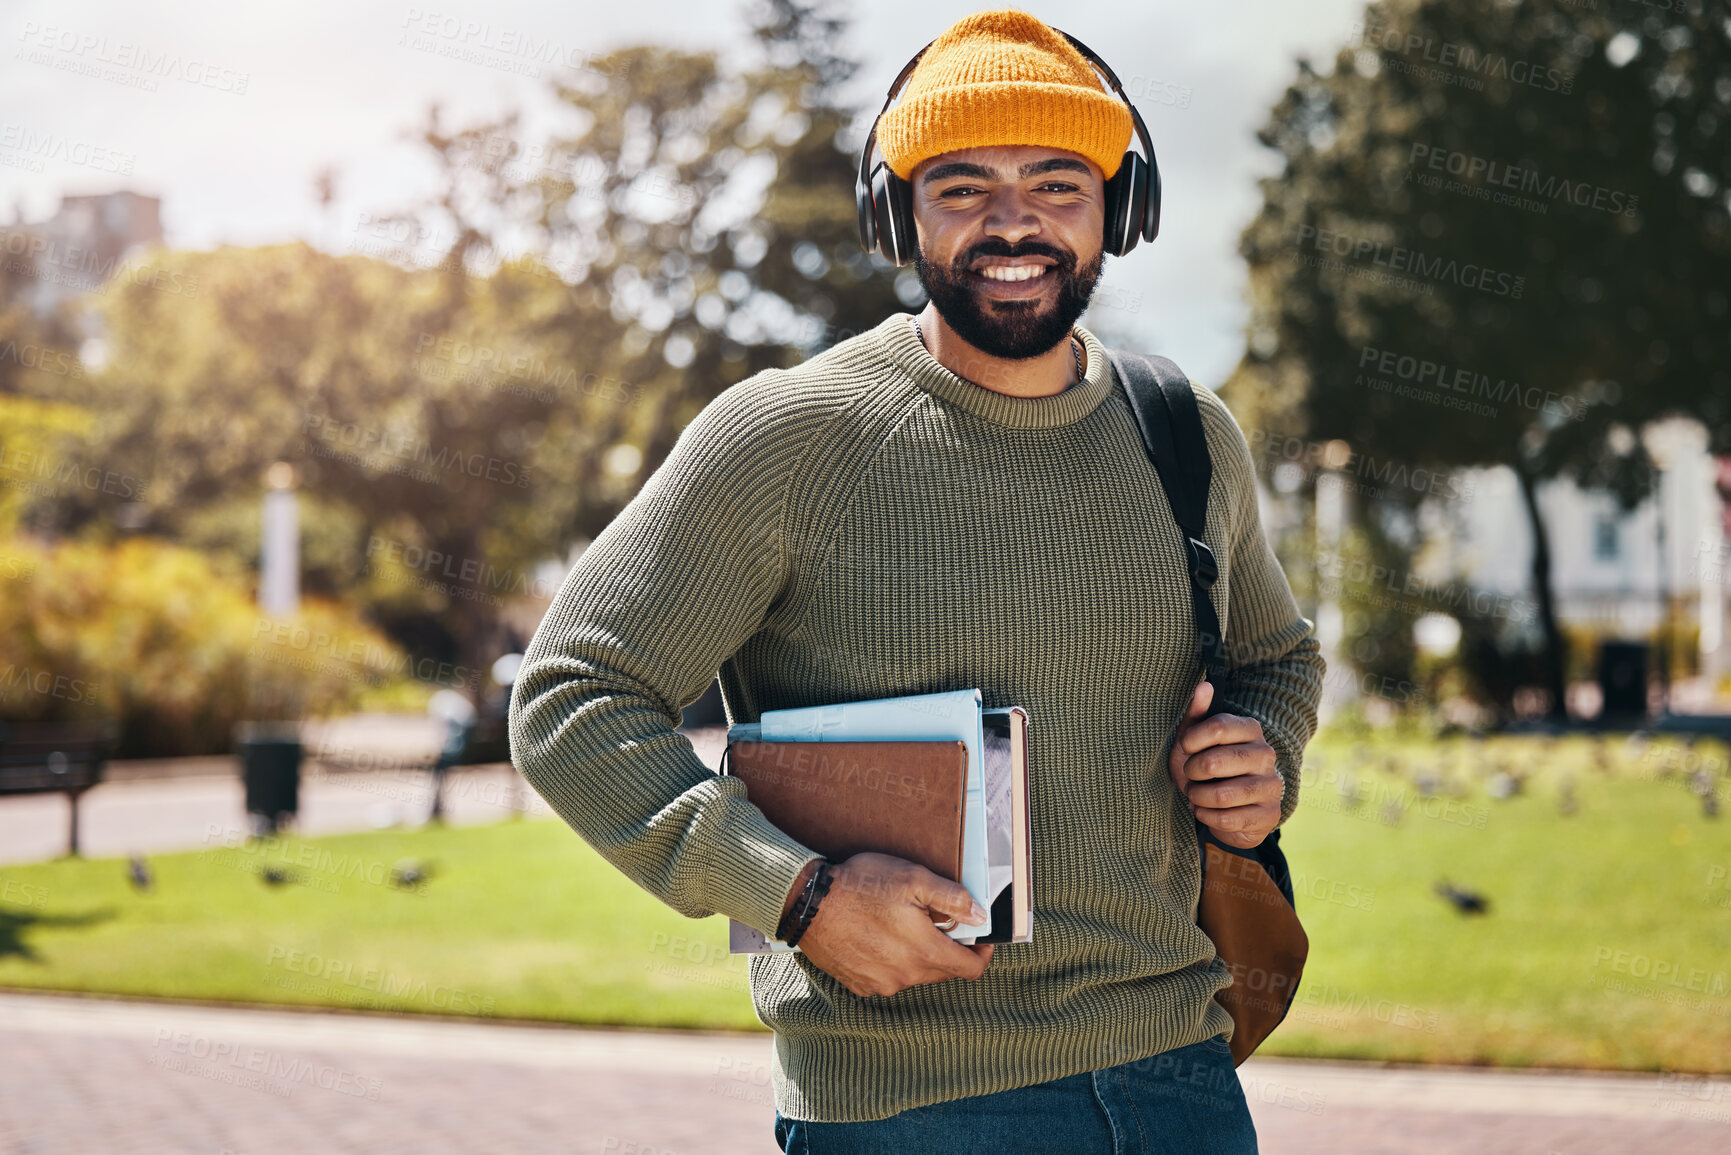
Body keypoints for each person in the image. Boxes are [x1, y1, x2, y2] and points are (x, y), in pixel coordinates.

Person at [508, 10, 1323, 1153]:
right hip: (907, 1112)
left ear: (1117, 210)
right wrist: (797, 895)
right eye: (961, 187)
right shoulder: (790, 435)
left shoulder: (1184, 435)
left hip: (1177, 1076)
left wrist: (1263, 754)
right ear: (899, 212)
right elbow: (571, 695)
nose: (1013, 224)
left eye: (1056, 183)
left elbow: (1277, 658)